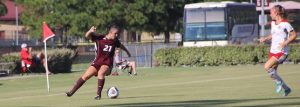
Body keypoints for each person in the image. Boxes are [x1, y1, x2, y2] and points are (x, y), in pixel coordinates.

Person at [66, 25, 131, 100]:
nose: (116, 35)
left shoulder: (115, 40)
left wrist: (127, 51)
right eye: (115, 33)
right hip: (97, 62)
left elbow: (121, 45)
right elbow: (87, 36)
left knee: (101, 73)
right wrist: (90, 31)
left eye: (117, 34)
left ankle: (98, 95)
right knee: (85, 76)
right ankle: (71, 92)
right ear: (110, 32)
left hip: (107, 63)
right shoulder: (99, 38)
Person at [259, 5, 297, 96]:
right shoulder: (273, 23)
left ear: (276, 13)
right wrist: (265, 38)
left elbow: (294, 35)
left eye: (271, 12)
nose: (270, 14)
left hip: (282, 52)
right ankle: (287, 89)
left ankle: (279, 83)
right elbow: (274, 34)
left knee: (266, 66)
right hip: (273, 51)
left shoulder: (285, 24)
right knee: (272, 73)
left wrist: (285, 43)